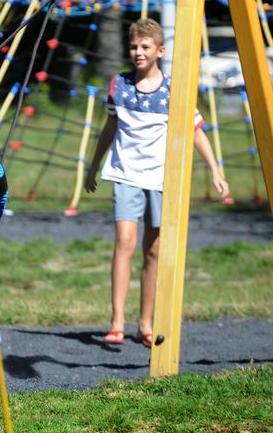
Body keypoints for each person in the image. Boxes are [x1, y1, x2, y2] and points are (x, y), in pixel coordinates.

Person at [84, 18, 229, 347]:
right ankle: (117, 321)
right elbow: (110, 127)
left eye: (145, 47)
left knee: (154, 250)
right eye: (134, 46)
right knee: (125, 242)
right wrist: (94, 166)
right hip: (125, 173)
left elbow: (195, 130)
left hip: (161, 178)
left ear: (159, 51)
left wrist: (216, 171)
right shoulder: (118, 85)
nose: (138, 52)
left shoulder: (172, 89)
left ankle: (145, 323)